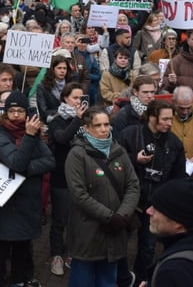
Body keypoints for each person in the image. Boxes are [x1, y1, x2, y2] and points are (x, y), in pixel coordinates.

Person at [65, 106, 140, 287]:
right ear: (87, 128)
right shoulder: (77, 154)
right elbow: (79, 194)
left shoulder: (118, 151)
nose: (104, 129)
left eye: (106, 124)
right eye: (98, 125)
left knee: (108, 281)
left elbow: (133, 185)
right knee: (83, 281)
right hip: (87, 232)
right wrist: (109, 217)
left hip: (115, 232)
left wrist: (122, 215)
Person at [0, 91, 55, 286]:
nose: (16, 115)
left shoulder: (33, 134)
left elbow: (50, 161)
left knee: (22, 254)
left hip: (27, 206)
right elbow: (16, 162)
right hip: (6, 205)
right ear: (5, 112)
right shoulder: (0, 134)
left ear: (27, 113)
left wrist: (25, 169)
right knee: (0, 254)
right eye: (12, 110)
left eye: (20, 111)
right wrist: (28, 136)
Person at [117, 100, 187, 285]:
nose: (169, 123)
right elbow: (113, 161)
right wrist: (134, 159)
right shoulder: (130, 134)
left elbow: (179, 176)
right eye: (165, 119)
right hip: (128, 200)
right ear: (152, 117)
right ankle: (121, 279)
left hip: (156, 205)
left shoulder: (174, 143)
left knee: (148, 247)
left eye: (171, 119)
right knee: (119, 244)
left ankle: (141, 279)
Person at [46, 83, 88, 277]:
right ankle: (56, 255)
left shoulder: (87, 118)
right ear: (65, 98)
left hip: (82, 176)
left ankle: (72, 252)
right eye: (75, 98)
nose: (79, 101)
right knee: (60, 219)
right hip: (61, 177)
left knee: (77, 219)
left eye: (81, 98)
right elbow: (62, 138)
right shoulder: (56, 119)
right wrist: (78, 120)